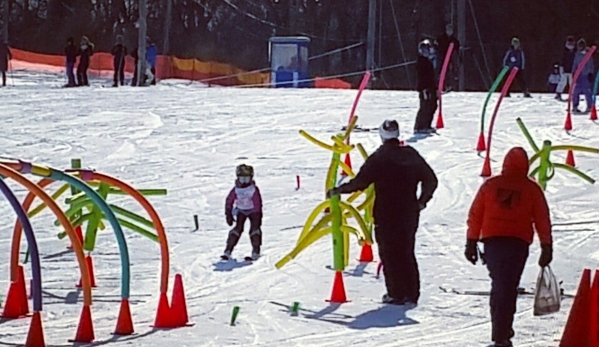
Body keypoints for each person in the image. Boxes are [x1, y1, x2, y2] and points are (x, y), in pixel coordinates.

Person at [328, 120, 438, 305]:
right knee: (406, 251)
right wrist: (422, 201)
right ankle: (411, 293)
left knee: (389, 252)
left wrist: (338, 190)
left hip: (386, 213)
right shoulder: (411, 154)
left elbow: (360, 183)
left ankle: (396, 293)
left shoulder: (380, 157)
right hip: (409, 212)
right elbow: (431, 179)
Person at [465, 147, 552, 347]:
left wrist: (471, 241)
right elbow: (542, 219)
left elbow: (475, 215)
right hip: (518, 244)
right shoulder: (531, 188)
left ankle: (500, 329)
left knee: (499, 284)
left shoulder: (491, 185)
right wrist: (546, 245)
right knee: (508, 286)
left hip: (493, 242)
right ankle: (502, 332)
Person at [223, 164, 263, 260]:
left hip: (253, 211)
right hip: (241, 211)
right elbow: (229, 200)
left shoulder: (253, 189)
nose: (244, 182)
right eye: (242, 179)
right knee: (237, 229)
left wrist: (258, 215)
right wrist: (228, 213)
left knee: (254, 230)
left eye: (246, 179)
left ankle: (255, 251)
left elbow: (257, 202)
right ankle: (228, 250)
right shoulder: (236, 189)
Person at [414, 39, 438, 134]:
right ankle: (420, 126)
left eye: (427, 50)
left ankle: (427, 125)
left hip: (431, 88)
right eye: (424, 50)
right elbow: (422, 77)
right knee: (425, 106)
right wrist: (424, 89)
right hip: (425, 88)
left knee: (432, 105)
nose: (426, 52)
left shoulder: (428, 61)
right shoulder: (421, 62)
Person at [572, 38, 595, 114]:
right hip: (578, 75)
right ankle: (575, 105)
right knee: (576, 91)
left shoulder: (587, 55)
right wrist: (573, 72)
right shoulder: (577, 54)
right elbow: (575, 63)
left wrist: (590, 73)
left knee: (587, 91)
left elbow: (590, 65)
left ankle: (589, 106)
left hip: (585, 75)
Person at [436, 23, 460, 90]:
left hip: (450, 58)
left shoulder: (454, 40)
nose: (449, 31)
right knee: (441, 70)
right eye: (448, 30)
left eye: (450, 30)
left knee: (450, 70)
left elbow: (457, 49)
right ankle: (441, 85)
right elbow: (436, 45)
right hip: (442, 57)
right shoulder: (441, 38)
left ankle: (451, 85)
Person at [555, 36, 576, 100]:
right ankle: (558, 93)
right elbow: (562, 59)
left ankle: (572, 95)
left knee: (571, 82)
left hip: (571, 68)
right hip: (564, 67)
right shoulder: (564, 50)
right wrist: (561, 67)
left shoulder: (574, 50)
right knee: (563, 81)